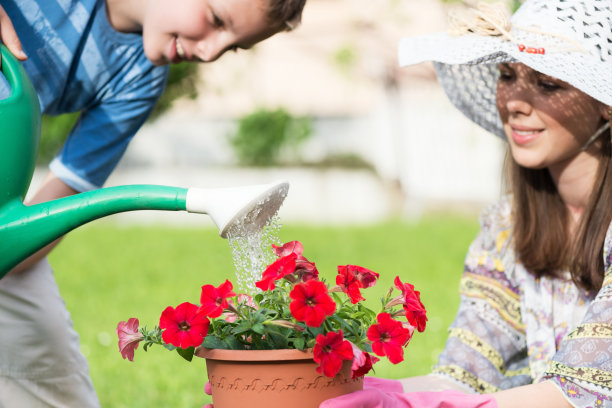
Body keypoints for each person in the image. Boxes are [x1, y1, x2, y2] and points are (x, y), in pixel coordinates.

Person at [0, 0, 306, 406]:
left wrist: (8, 247)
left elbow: (49, 213)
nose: (210, 52)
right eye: (216, 21)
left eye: (232, 47)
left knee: (56, 381)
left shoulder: (139, 79)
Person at [321, 0, 612, 407]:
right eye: (507, 75)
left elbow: (579, 391)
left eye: (548, 84)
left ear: (605, 104)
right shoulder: (509, 228)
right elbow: (467, 373)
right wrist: (323, 392)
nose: (515, 102)